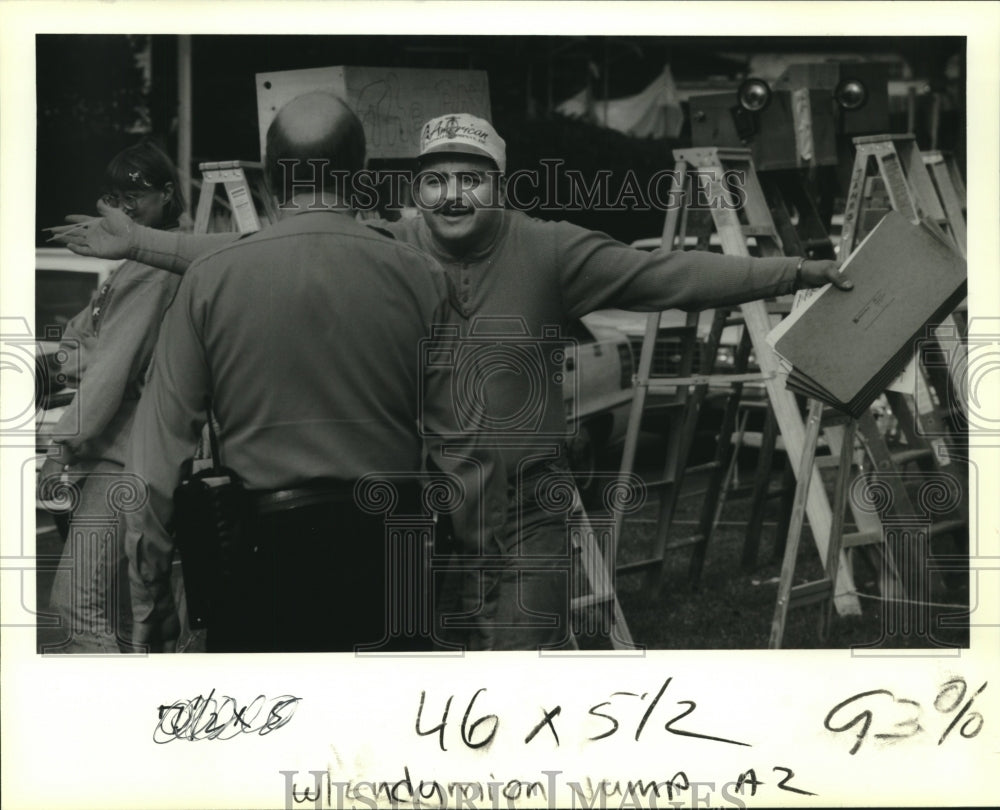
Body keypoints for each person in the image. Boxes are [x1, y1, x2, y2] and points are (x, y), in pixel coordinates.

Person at [51, 112, 852, 651]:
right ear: (413, 191)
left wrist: (795, 269)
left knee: (514, 666)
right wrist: (142, 241)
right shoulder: (395, 246)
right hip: (427, 509)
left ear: (498, 183)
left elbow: (673, 274)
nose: (453, 193)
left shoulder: (552, 250)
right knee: (434, 665)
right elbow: (254, 256)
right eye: (436, 179)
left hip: (523, 502)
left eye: (472, 177)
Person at [118, 94, 506, 653]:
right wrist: (478, 591)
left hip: (257, 568)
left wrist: (149, 601)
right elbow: (468, 455)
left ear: (273, 178)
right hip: (390, 562)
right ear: (361, 176)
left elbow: (153, 467)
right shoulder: (422, 277)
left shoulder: (209, 281)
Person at [39, 141, 187, 653]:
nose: (124, 207)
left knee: (82, 609)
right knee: (133, 616)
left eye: (137, 195)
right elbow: (80, 344)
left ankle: (105, 721)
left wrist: (62, 446)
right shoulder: (135, 263)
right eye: (116, 195)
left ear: (168, 194)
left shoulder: (153, 267)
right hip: (128, 452)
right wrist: (85, 356)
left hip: (125, 456)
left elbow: (109, 365)